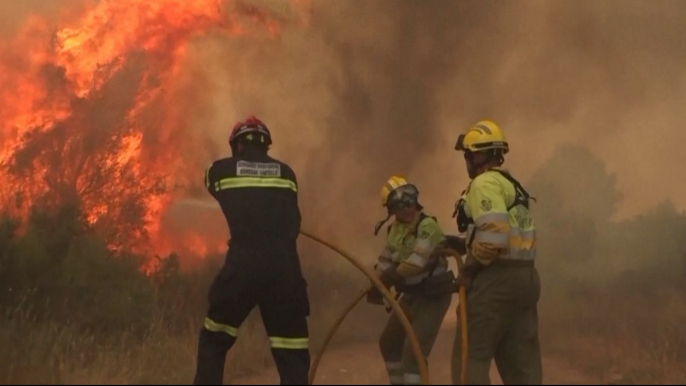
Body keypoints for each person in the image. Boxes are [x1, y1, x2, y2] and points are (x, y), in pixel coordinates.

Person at [193, 116, 310, 385]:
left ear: (237, 146)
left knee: (214, 339)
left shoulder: (220, 170)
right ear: (267, 145)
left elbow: (212, 184)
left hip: (242, 269)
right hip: (285, 271)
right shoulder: (287, 174)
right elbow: (293, 222)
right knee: (292, 352)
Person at [449, 119, 542, 385]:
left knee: (471, 358)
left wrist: (469, 269)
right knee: (522, 366)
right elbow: (506, 231)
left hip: (495, 281)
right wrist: (462, 244)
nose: (466, 161)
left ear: (476, 156)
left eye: (467, 155)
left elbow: (493, 236)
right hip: (525, 279)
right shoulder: (509, 183)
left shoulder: (484, 184)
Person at [368, 175, 455, 385]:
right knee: (388, 343)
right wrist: (377, 282)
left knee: (413, 352)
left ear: (416, 201)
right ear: (391, 210)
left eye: (410, 202)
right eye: (399, 205)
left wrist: (393, 276)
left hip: (433, 296)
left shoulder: (427, 227)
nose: (407, 209)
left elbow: (417, 261)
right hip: (411, 295)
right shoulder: (394, 230)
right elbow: (386, 259)